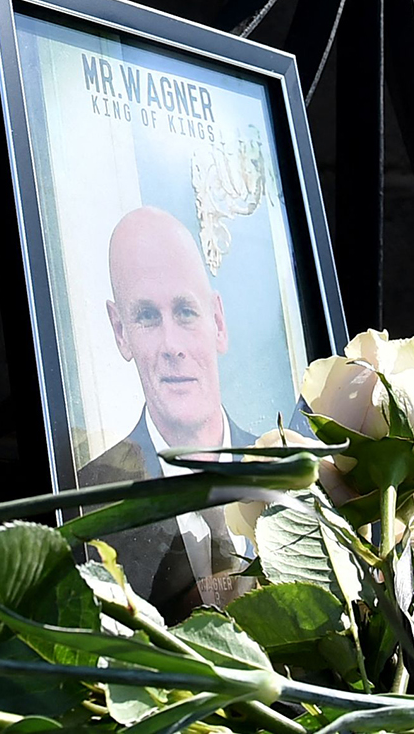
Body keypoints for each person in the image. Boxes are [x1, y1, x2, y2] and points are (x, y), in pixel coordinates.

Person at [78, 205, 257, 607]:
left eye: (185, 312)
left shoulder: (292, 469)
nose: (171, 345)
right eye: (146, 316)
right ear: (120, 331)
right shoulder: (86, 503)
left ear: (218, 322)